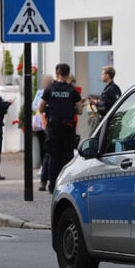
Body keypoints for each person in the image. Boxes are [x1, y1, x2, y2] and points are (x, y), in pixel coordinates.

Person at [38, 63, 84, 192]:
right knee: (67, 157)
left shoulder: (50, 89)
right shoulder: (72, 90)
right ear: (68, 74)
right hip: (68, 128)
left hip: (53, 128)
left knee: (53, 157)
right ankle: (66, 185)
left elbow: (41, 107)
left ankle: (52, 186)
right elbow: (80, 110)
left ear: (57, 73)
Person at [32, 74, 53, 190]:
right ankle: (44, 178)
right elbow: (35, 106)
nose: (44, 83)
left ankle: (47, 179)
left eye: (46, 81)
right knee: (44, 149)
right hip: (42, 123)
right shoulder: (41, 92)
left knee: (48, 151)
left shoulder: (51, 91)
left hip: (49, 123)